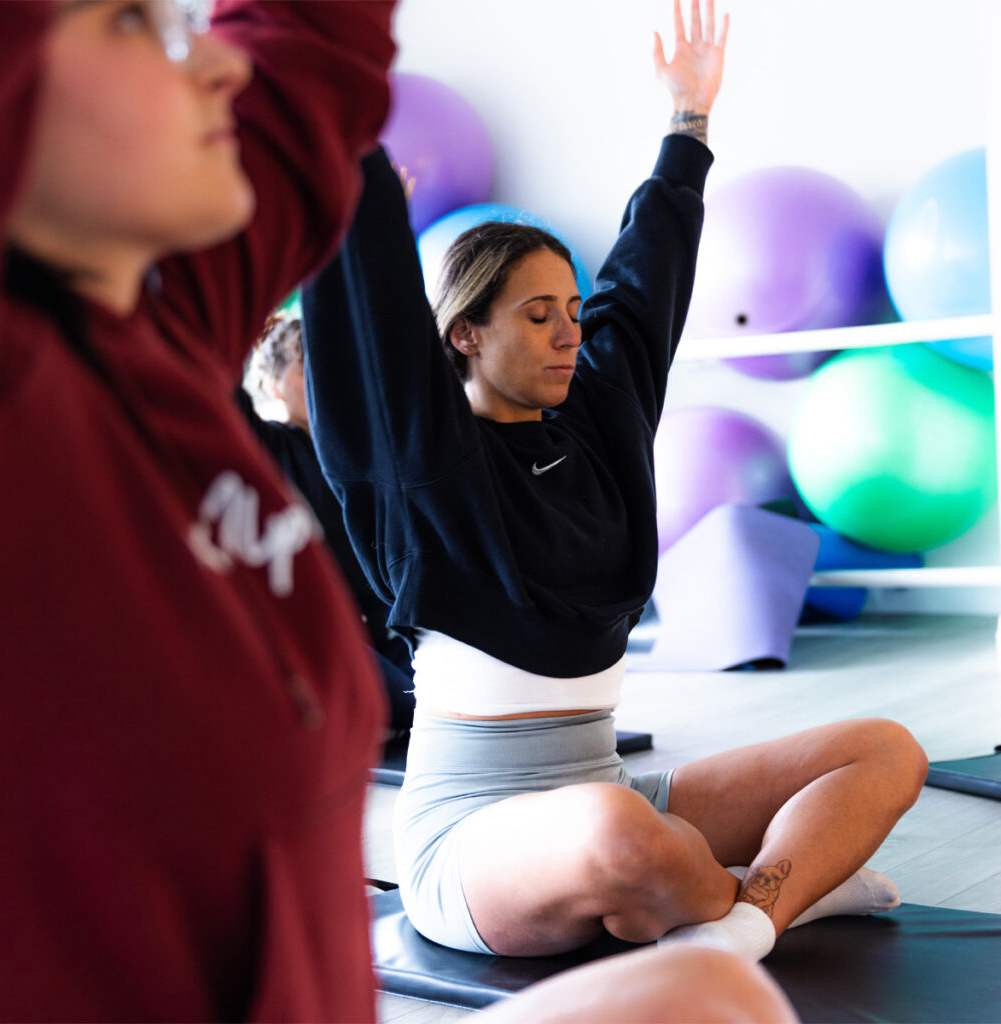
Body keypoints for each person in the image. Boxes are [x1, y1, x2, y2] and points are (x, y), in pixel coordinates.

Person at [302, 0, 928, 967]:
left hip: (613, 796)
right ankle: (784, 881)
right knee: (621, 837)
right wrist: (357, 156)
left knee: (886, 750)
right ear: (465, 333)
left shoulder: (594, 423)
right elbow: (371, 318)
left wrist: (690, 119)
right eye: (538, 314)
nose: (569, 332)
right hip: (475, 841)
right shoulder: (423, 462)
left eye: (570, 309)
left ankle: (747, 917)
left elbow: (646, 279)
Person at [0, 1, 398, 1018]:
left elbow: (308, 45)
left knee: (697, 992)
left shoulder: (153, 336)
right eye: (131, 22)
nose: (218, 62)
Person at [239, 314, 415, 736]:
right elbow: (223, 398)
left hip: (389, 630)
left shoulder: (368, 454)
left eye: (331, 365)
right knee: (406, 707)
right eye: (306, 367)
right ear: (273, 385)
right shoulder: (270, 447)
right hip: (327, 639)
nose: (325, 380)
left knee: (445, 698)